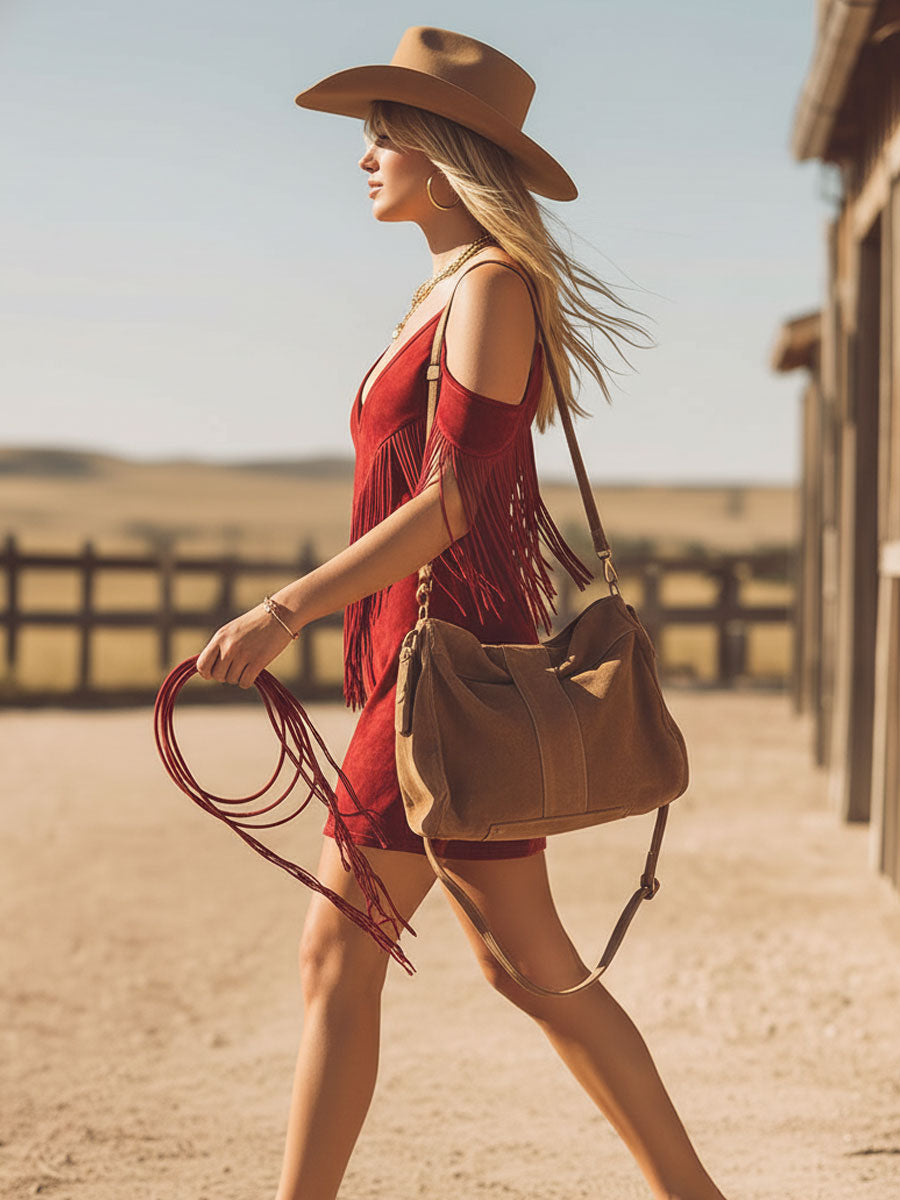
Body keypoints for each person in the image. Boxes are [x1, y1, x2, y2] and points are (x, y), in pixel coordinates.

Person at [195, 25, 729, 1200]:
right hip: (423, 666)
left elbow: (449, 506)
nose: (364, 157)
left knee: (343, 952)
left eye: (383, 135)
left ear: (443, 155)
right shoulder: (437, 295)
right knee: (528, 968)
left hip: (450, 670)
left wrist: (285, 609)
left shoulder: (490, 289)